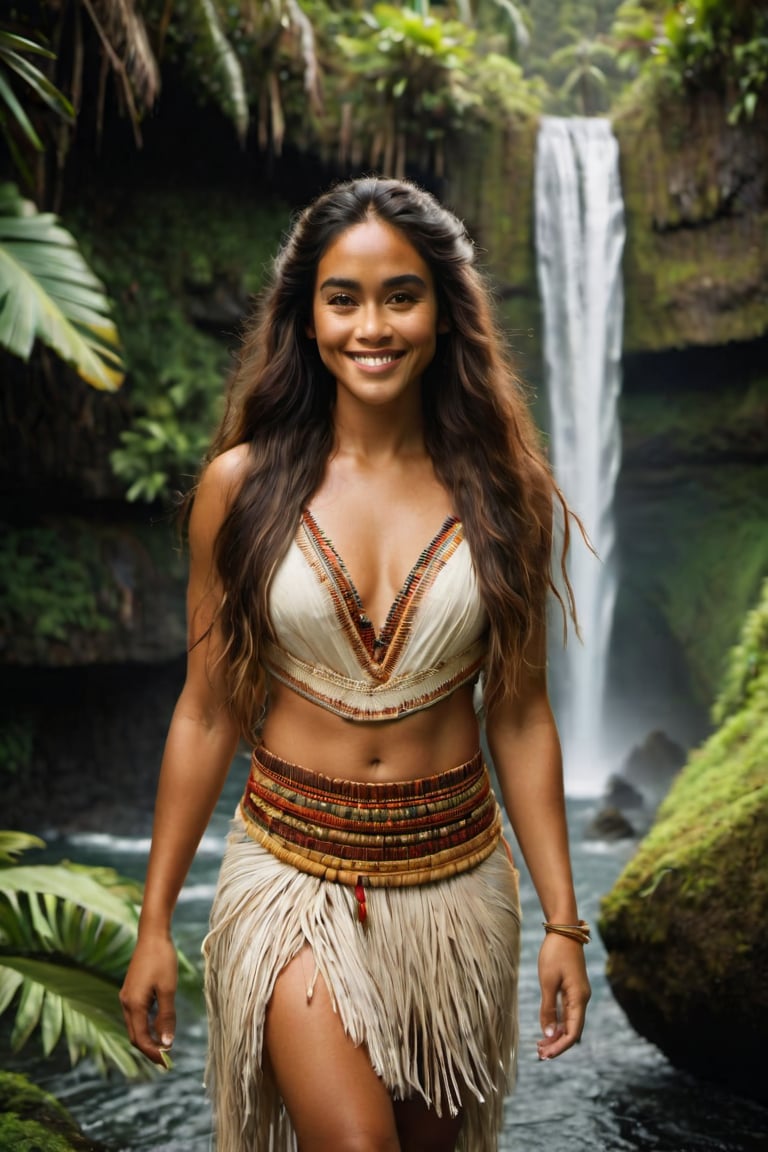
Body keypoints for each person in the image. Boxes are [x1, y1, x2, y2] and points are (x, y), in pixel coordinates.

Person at [120, 175, 591, 1152]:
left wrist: (562, 922)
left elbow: (521, 714)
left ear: (445, 315)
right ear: (305, 317)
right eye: (343, 299)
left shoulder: (512, 495)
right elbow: (207, 712)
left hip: (457, 889)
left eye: (401, 296)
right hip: (290, 877)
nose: (371, 326)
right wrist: (155, 921)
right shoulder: (238, 489)